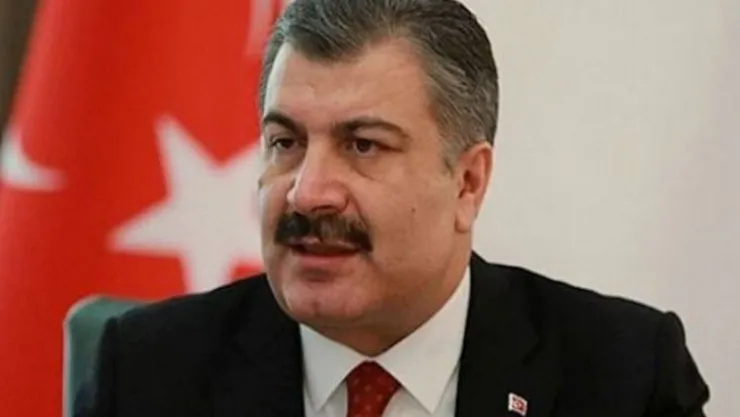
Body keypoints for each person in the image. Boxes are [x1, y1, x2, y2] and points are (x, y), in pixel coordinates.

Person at [74, 0, 710, 416]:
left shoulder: (624, 376)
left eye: (363, 145)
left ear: (468, 183)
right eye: (286, 142)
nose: (307, 192)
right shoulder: (150, 373)